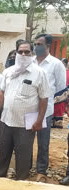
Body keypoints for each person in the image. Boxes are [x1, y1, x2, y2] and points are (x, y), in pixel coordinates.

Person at [0, 41, 50, 180]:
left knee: (23, 156)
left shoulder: (40, 73)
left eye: (27, 52)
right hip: (7, 120)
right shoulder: (8, 71)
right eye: (20, 52)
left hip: (26, 124)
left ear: (32, 53)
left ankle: (21, 184)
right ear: (16, 53)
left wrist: (39, 121)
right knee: (3, 154)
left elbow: (44, 99)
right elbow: (2, 93)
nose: (23, 54)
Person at [33, 34, 67, 182]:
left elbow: (60, 88)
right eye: (35, 44)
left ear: (47, 46)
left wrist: (47, 102)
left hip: (45, 111)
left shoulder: (56, 64)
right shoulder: (31, 62)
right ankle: (25, 166)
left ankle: (41, 171)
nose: (36, 47)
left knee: (43, 141)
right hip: (28, 108)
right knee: (26, 140)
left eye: (39, 44)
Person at [52, 58, 69, 128]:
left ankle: (58, 123)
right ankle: (53, 122)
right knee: (55, 107)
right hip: (57, 91)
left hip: (64, 93)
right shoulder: (61, 72)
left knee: (60, 107)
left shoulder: (66, 72)